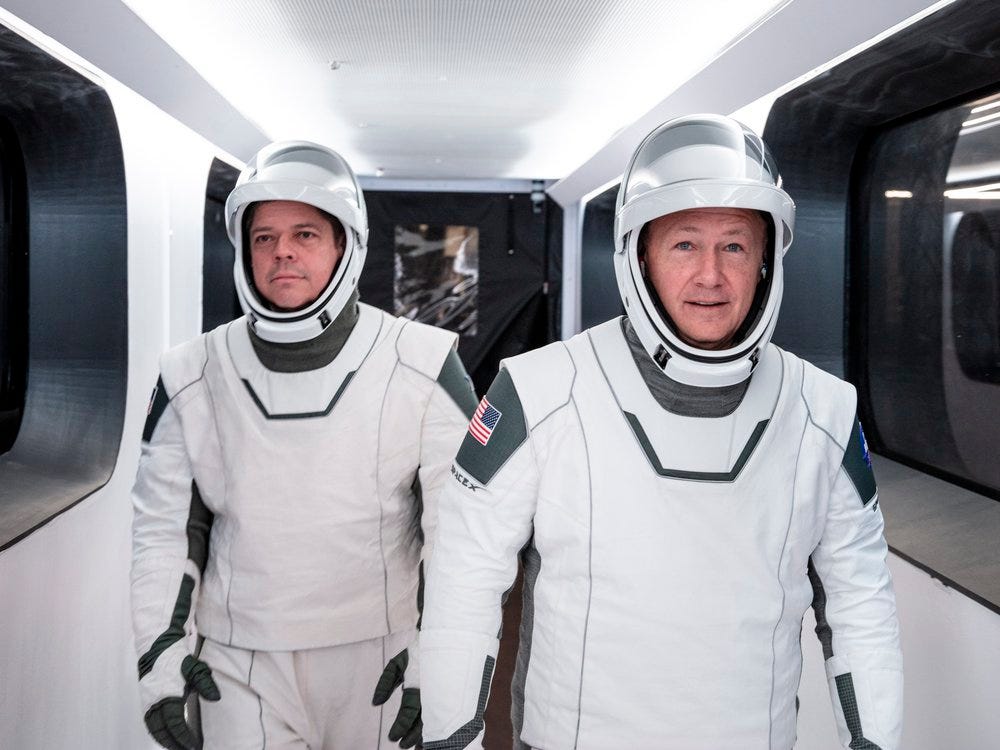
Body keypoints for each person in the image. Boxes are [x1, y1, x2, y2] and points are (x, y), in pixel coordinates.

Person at [420, 114, 903, 750]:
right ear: (639, 256)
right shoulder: (539, 390)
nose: (711, 275)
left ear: (766, 261)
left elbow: (860, 606)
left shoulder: (825, 411)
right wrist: (450, 738)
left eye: (734, 245)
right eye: (684, 244)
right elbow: (465, 576)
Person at [131, 140, 477, 750]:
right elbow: (165, 528)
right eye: (264, 236)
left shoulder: (422, 363)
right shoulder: (190, 372)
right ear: (243, 249)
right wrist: (158, 655)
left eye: (306, 234)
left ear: (344, 244)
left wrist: (440, 659)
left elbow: (464, 531)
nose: (282, 251)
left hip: (381, 657)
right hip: (238, 660)